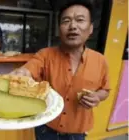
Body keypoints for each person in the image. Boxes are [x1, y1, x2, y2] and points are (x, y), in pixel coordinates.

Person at [10, 1, 110, 140]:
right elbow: (30, 68)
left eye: (80, 20)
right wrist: (21, 73)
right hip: (46, 128)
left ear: (91, 28)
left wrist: (97, 97)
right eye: (66, 21)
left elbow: (105, 90)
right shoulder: (45, 55)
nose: (73, 26)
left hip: (78, 131)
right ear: (59, 29)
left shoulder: (101, 60)